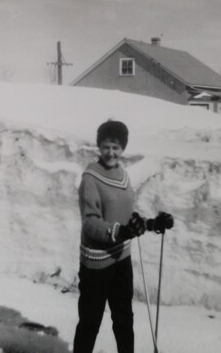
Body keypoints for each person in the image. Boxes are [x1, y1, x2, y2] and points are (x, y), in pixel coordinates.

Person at [73, 120, 173, 353]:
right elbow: (90, 222)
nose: (111, 152)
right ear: (99, 146)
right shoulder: (90, 178)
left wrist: (151, 223)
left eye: (116, 147)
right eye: (106, 146)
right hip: (96, 263)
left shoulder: (123, 175)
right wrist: (121, 231)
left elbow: (127, 218)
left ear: (123, 148)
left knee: (124, 321)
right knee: (90, 323)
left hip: (121, 259)